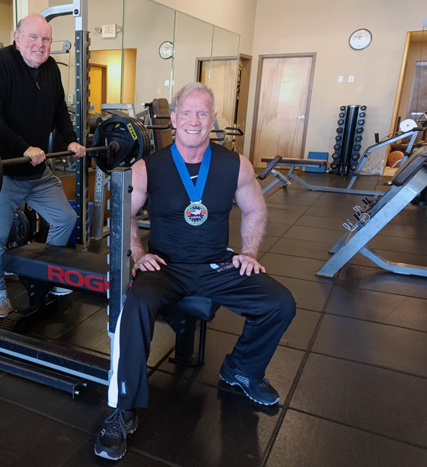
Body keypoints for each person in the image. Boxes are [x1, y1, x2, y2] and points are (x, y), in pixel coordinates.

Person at [94, 82, 296, 461]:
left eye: (203, 113)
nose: (194, 120)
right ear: (173, 119)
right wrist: (138, 254)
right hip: (165, 266)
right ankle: (122, 408)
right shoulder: (147, 167)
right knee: (134, 306)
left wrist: (249, 252)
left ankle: (241, 368)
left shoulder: (234, 164)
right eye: (186, 112)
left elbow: (255, 210)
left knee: (280, 303)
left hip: (218, 263)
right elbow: (124, 215)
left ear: (213, 119)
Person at [0, 14, 86, 318]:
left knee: (66, 218)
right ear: (17, 37)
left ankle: (44, 276)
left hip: (38, 173)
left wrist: (71, 140)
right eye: (34, 38)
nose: (40, 45)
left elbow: (59, 110)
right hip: (2, 173)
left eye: (46, 39)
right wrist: (23, 147)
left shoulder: (50, 68)